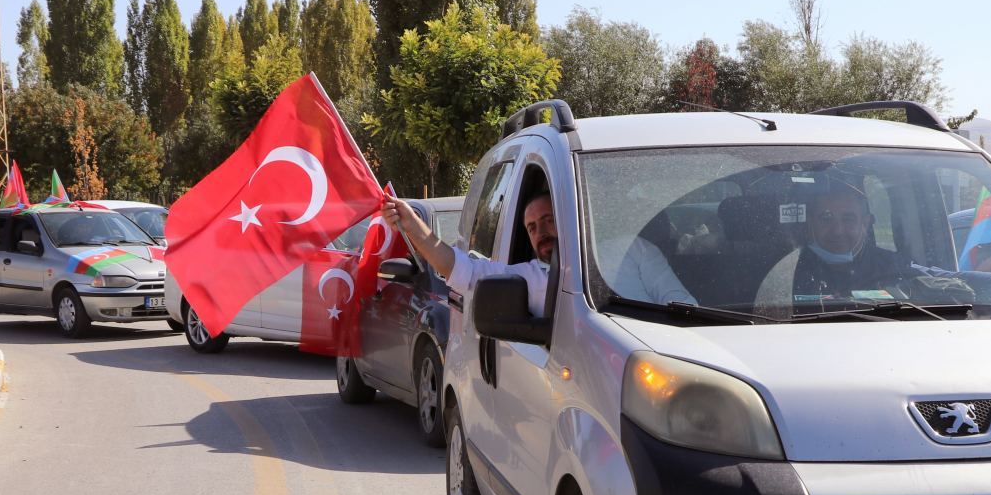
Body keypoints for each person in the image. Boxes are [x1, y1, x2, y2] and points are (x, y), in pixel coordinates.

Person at [381, 192, 694, 318]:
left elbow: (681, 305)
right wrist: (412, 225)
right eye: (531, 228)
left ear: (572, 217)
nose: (540, 232)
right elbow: (457, 266)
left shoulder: (632, 249)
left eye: (548, 220)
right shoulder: (529, 277)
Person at [754, 182, 906, 309]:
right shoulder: (784, 272)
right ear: (810, 224)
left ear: (865, 224)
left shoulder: (896, 268)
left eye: (848, 219)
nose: (837, 230)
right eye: (826, 218)